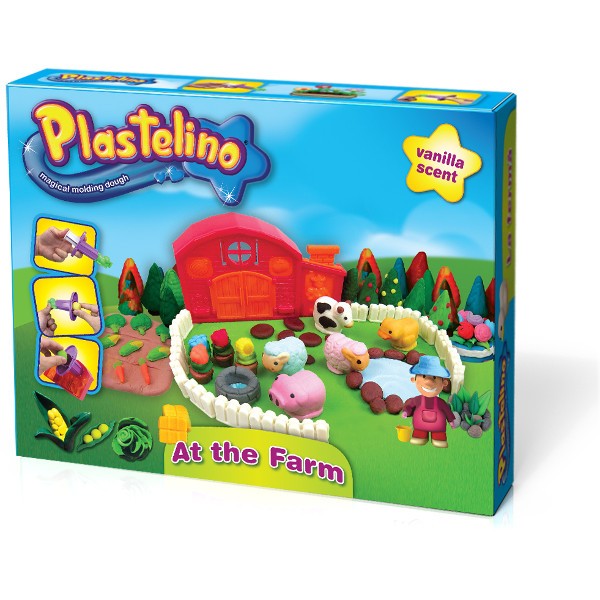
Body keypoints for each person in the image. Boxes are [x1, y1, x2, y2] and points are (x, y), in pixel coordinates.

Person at [401, 355, 458, 448]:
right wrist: (406, 412)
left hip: (438, 426)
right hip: (420, 425)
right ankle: (420, 436)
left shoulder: (441, 402)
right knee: (419, 432)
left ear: (444, 383)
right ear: (413, 380)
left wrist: (451, 420)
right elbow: (410, 406)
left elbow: (447, 411)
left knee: (439, 434)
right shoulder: (417, 400)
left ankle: (438, 438)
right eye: (424, 376)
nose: (429, 382)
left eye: (434, 377)